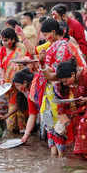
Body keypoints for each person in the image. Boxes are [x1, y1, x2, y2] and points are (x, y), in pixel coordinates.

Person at [27, 18, 73, 157]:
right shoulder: (53, 45)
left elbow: (57, 72)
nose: (45, 38)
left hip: (58, 90)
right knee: (50, 127)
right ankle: (54, 161)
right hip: (48, 91)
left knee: (58, 128)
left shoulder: (63, 46)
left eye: (46, 35)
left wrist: (42, 66)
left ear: (53, 32)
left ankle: (60, 160)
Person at [0, 28, 26, 133]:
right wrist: (2, 79)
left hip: (19, 82)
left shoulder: (20, 48)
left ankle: (23, 129)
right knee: (12, 104)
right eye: (3, 40)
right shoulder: (2, 50)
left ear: (13, 39)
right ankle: (14, 129)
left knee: (20, 106)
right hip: (8, 84)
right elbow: (2, 67)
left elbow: (24, 63)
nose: (4, 43)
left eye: (6, 40)